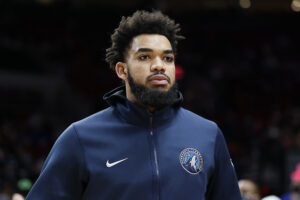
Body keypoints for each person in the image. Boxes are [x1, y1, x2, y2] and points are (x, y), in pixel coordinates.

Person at [26, 10, 241, 199]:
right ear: (122, 70)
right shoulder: (80, 137)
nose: (159, 66)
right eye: (145, 57)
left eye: (167, 59)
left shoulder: (208, 134)